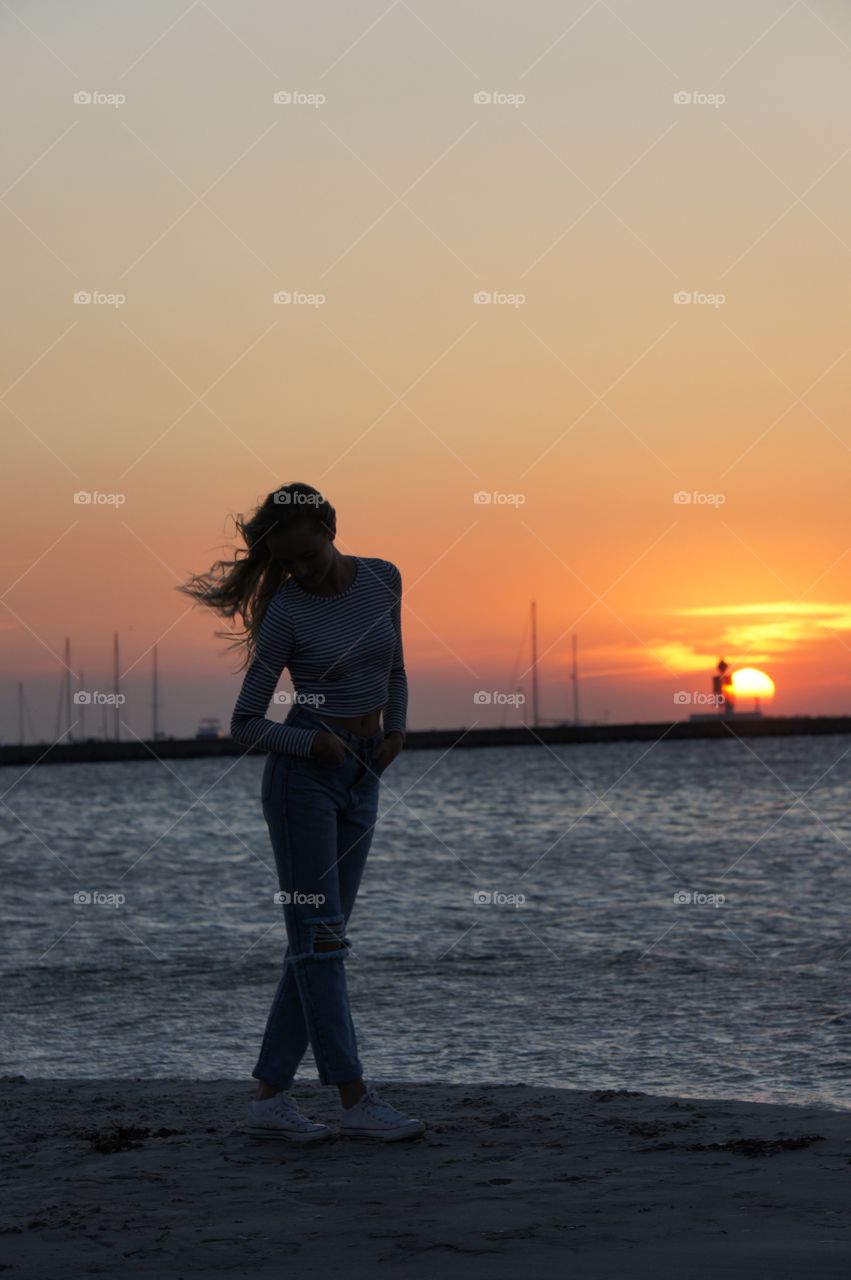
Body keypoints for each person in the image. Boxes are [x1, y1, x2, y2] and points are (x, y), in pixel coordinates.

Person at [177, 482, 425, 1143]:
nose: (302, 572)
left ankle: (267, 1100)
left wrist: (395, 732)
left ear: (330, 527)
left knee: (317, 940)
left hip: (364, 770)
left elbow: (393, 667)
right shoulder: (286, 611)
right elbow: (245, 724)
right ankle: (352, 1097)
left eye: (309, 556)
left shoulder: (383, 579)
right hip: (303, 782)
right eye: (289, 564)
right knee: (321, 940)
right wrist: (313, 742)